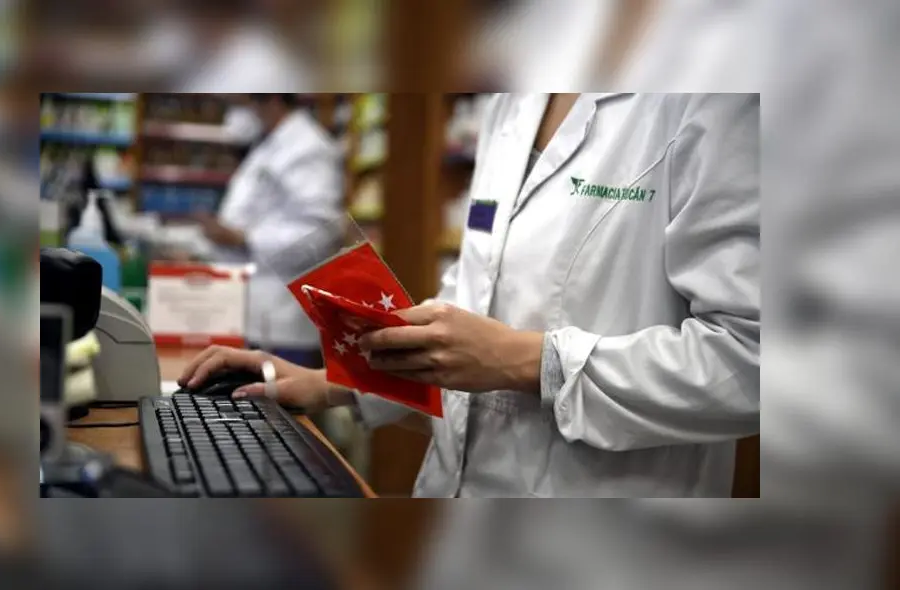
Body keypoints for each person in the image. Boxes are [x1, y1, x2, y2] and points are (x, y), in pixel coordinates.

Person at [181, 93, 760, 497]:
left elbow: (752, 357)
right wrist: (329, 384)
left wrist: (525, 360)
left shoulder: (715, 95)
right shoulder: (512, 102)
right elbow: (471, 301)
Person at [194, 94, 342, 368]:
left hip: (282, 323)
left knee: (282, 408)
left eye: (243, 104)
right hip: (250, 314)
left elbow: (319, 234)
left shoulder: (308, 147)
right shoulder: (267, 146)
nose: (237, 115)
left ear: (272, 99)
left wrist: (244, 238)